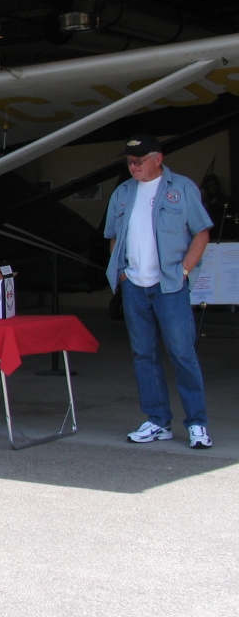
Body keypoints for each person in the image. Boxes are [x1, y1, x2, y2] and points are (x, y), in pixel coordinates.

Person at [104, 135, 213, 449]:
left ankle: (197, 423)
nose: (133, 166)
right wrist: (122, 273)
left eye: (139, 161)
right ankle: (157, 421)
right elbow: (113, 237)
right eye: (129, 162)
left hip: (170, 286)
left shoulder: (182, 188)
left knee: (182, 354)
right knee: (144, 354)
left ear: (158, 159)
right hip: (134, 286)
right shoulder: (123, 192)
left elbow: (201, 233)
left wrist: (184, 271)